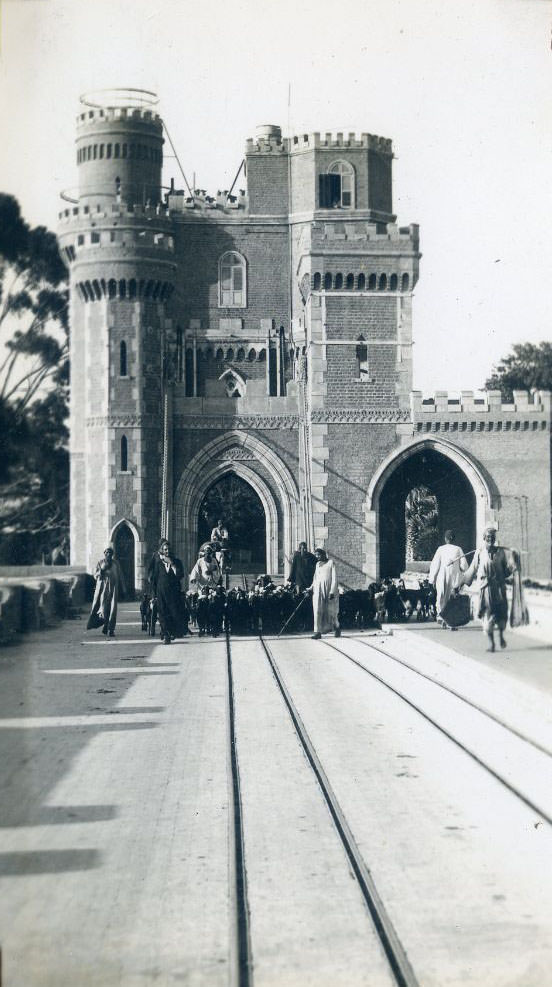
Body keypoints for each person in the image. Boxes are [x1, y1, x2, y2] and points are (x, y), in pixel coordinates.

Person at [461, 526, 519, 652]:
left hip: (499, 588)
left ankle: (501, 636)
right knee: (488, 614)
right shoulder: (479, 553)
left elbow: (506, 571)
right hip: (485, 589)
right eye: (488, 537)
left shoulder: (501, 553)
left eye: (492, 537)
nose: (490, 539)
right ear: (484, 538)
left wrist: (514, 564)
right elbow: (472, 569)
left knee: (501, 614)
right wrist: (461, 583)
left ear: (494, 539)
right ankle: (491, 643)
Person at [148, 538, 187, 644]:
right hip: (161, 592)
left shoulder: (177, 562)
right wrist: (153, 595)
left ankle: (172, 632)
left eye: (169, 550)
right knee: (162, 613)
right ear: (162, 551)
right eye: (165, 550)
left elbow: (180, 575)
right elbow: (154, 580)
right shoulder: (159, 564)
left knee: (173, 613)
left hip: (173, 593)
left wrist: (172, 564)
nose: (167, 552)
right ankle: (166, 635)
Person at [429, 530, 468, 628]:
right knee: (452, 599)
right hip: (454, 578)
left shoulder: (440, 549)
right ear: (454, 539)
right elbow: (464, 567)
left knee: (442, 596)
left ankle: (441, 616)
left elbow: (435, 565)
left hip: (442, 577)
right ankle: (451, 620)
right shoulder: (458, 549)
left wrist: (432, 579)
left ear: (445, 539)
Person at [87, 547, 124, 637]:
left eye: (110, 552)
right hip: (103, 589)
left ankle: (110, 629)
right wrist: (102, 570)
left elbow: (120, 576)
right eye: (107, 552)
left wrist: (123, 588)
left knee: (112, 609)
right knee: (103, 609)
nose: (108, 554)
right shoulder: (100, 563)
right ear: (104, 553)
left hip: (114, 589)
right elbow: (95, 576)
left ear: (112, 554)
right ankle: (105, 624)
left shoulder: (116, 563)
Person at [307, 547, 340, 640]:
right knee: (317, 610)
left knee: (331, 612)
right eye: (316, 555)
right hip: (318, 590)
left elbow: (334, 578)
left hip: (329, 590)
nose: (317, 557)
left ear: (323, 554)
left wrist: (332, 591)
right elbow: (315, 578)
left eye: (318, 554)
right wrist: (310, 588)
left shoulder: (331, 563)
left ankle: (337, 627)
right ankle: (317, 632)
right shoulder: (317, 564)